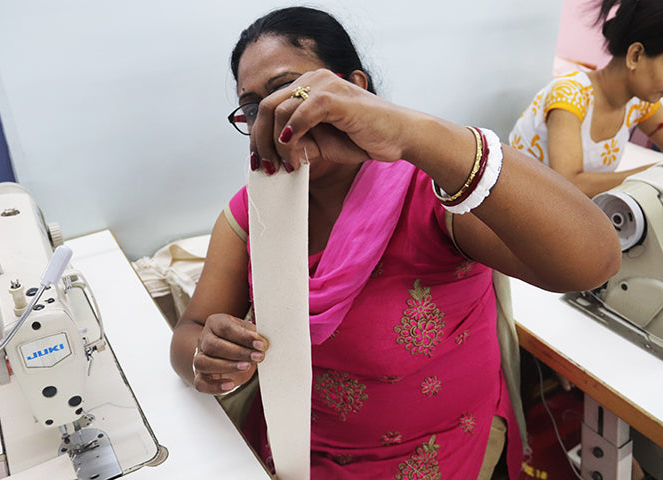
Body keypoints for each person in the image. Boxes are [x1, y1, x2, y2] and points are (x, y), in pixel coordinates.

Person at [170, 6, 620, 479]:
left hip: (443, 453)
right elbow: (190, 333)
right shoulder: (254, 214)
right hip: (300, 455)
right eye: (253, 106)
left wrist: (410, 132)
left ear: (355, 89)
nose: (274, 116)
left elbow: (593, 262)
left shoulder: (432, 195)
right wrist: (206, 355)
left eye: (289, 91)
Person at [510, 0, 663, 198]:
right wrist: (651, 173)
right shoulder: (569, 96)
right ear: (635, 56)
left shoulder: (640, 104)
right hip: (523, 203)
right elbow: (569, 184)